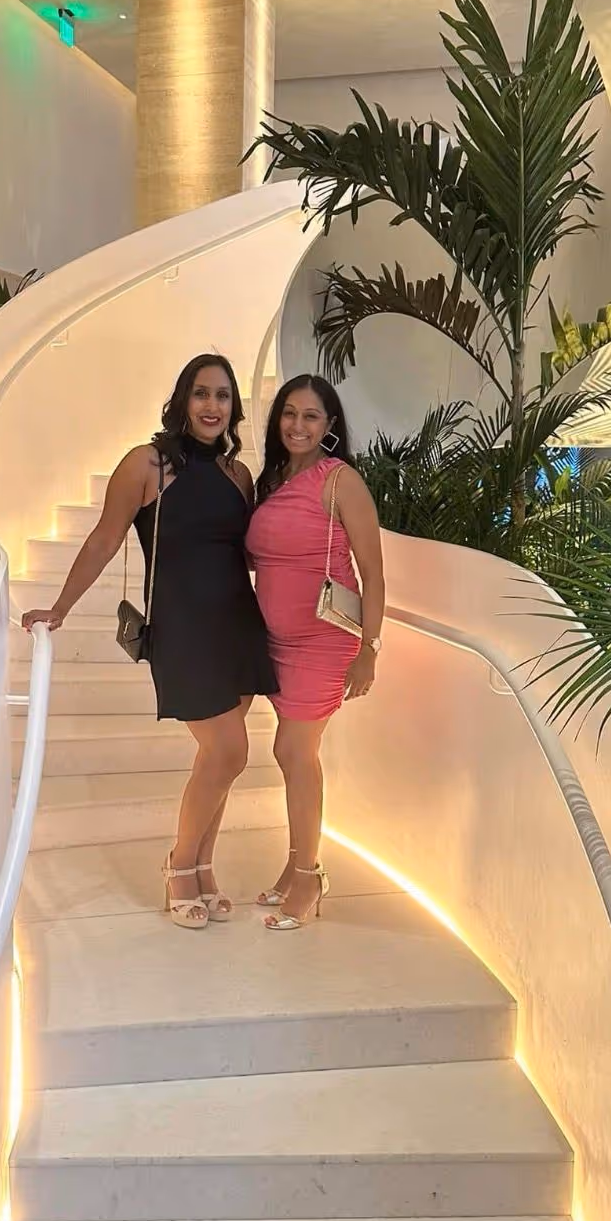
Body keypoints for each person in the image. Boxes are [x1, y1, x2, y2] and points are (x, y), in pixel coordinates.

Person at [21, 354, 278, 929]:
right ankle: (179, 866)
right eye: (202, 394)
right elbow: (104, 539)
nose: (213, 406)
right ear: (182, 401)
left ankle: (204, 869)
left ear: (234, 408)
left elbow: (251, 554)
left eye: (223, 396)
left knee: (223, 759)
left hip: (238, 622)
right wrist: (60, 607)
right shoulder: (146, 464)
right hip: (184, 627)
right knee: (229, 751)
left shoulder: (239, 476)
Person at [247, 375, 385, 930]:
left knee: (295, 751)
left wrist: (370, 649)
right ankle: (294, 864)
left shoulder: (340, 481)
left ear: (330, 427)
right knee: (289, 754)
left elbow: (373, 573)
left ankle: (309, 876)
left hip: (323, 640)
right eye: (289, 414)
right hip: (274, 640)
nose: (297, 425)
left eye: (311, 416)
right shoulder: (273, 479)